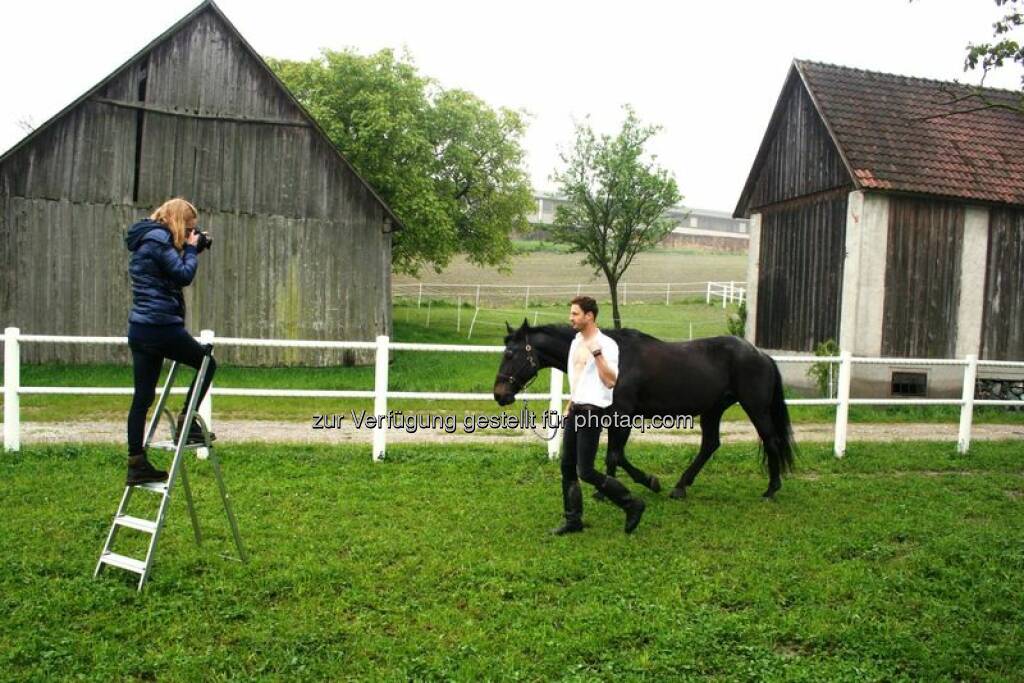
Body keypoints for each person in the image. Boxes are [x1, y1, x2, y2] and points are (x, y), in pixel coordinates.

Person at [124, 197, 216, 485]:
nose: (191, 232)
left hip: (140, 328)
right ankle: (187, 425)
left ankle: (136, 463)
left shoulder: (143, 240)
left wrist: (188, 248)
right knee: (207, 364)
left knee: (142, 398)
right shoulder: (160, 241)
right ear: (178, 222)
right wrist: (191, 249)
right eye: (189, 227)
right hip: (161, 326)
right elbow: (183, 275)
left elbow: (167, 274)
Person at [552, 296, 645, 535]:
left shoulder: (608, 344)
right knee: (567, 466)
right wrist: (569, 405)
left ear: (589, 316)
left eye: (575, 314)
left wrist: (598, 355)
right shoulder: (575, 342)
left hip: (593, 412)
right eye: (571, 313)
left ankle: (631, 504)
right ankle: (573, 520)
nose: (570, 318)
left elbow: (611, 380)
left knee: (586, 471)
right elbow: (579, 378)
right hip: (576, 409)